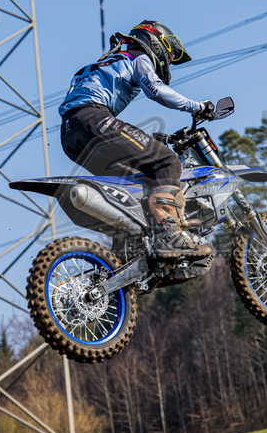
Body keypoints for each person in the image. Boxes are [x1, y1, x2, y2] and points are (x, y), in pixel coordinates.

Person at [58, 20, 215, 259]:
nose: (169, 60)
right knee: (167, 163)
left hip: (70, 134)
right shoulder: (137, 58)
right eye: (170, 54)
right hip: (94, 119)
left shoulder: (103, 63)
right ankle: (169, 235)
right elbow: (156, 90)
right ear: (157, 41)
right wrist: (197, 106)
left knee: (129, 190)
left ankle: (120, 261)